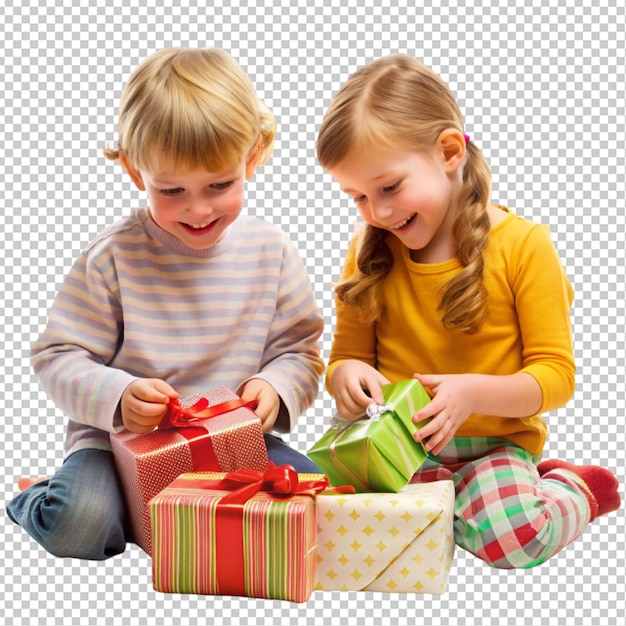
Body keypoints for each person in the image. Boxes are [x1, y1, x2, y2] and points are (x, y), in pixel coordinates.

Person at [8, 47, 324, 560]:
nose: (198, 209)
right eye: (171, 190)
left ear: (253, 156)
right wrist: (119, 395)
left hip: (232, 442)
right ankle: (41, 496)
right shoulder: (113, 256)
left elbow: (300, 353)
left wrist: (275, 387)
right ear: (136, 172)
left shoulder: (273, 252)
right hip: (116, 448)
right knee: (79, 525)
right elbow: (55, 357)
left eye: (220, 185)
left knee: (313, 496)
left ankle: (156, 517)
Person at [316, 53, 620, 569]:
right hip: (397, 443)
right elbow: (345, 358)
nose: (379, 212)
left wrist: (470, 392)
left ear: (450, 150)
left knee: (517, 539)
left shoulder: (525, 245)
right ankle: (453, 512)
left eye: (389, 187)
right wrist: (347, 377)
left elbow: (556, 376)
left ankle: (572, 487)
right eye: (358, 197)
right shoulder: (370, 252)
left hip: (492, 448)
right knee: (320, 523)